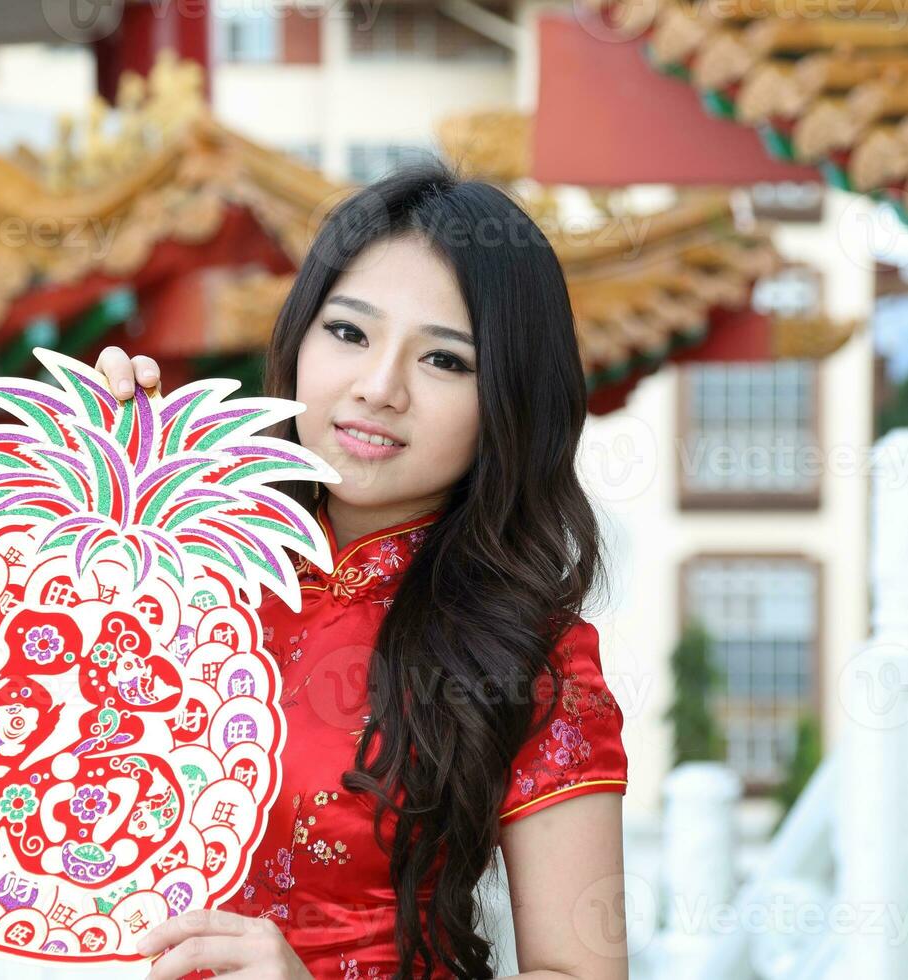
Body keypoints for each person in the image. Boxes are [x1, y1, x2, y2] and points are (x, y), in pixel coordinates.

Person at [107, 161, 629, 979]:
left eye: (445, 362)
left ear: (509, 403)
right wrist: (100, 482)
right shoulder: (188, 564)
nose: (378, 389)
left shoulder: (533, 658)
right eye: (348, 333)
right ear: (299, 339)